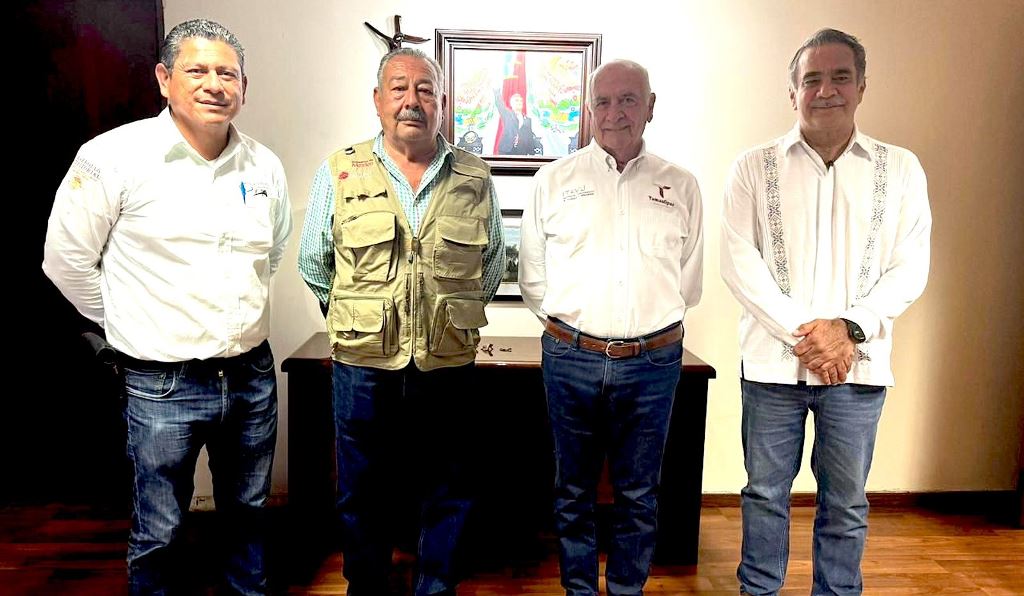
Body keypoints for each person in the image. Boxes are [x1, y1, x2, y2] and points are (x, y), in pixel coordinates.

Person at [42, 18, 292, 595]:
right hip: (161, 383)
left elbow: (272, 254)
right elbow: (66, 262)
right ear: (163, 78)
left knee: (248, 514)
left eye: (227, 73)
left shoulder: (264, 166)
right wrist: (127, 319)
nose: (214, 85)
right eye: (196, 70)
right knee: (161, 527)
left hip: (250, 376)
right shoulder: (112, 158)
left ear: (244, 86)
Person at [720, 28, 931, 595]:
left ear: (862, 86)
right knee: (764, 495)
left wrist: (849, 330)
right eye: (811, 78)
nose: (826, 90)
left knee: (847, 502)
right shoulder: (752, 167)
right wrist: (812, 338)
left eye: (840, 77)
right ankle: (759, 591)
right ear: (792, 92)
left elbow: (910, 267)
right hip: (771, 370)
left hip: (858, 370)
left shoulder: (901, 169)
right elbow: (739, 263)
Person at [298, 47, 505, 596]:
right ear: (377, 100)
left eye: (424, 89)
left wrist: (447, 317)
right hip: (363, 364)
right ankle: (367, 587)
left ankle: (435, 586)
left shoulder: (474, 175)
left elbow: (490, 265)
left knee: (448, 485)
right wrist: (358, 318)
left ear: (441, 102)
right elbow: (315, 262)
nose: (411, 100)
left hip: (446, 361)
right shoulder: (340, 170)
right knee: (362, 487)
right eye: (398, 88)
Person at [519, 59, 704, 596]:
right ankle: (579, 590)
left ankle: (626, 590)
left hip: (653, 363)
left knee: (639, 494)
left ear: (651, 107)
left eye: (628, 100)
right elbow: (533, 278)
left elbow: (688, 283)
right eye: (603, 101)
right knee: (572, 491)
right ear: (588, 110)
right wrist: (577, 331)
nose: (615, 113)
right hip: (570, 359)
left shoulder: (681, 185)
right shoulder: (554, 181)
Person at [494, 89, 540, 155]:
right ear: (511, 103)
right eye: (516, 100)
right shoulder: (507, 114)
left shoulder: (528, 120)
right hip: (506, 150)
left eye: (521, 101)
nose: (519, 102)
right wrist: (496, 92)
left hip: (521, 151)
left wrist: (531, 153)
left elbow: (529, 136)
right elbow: (500, 104)